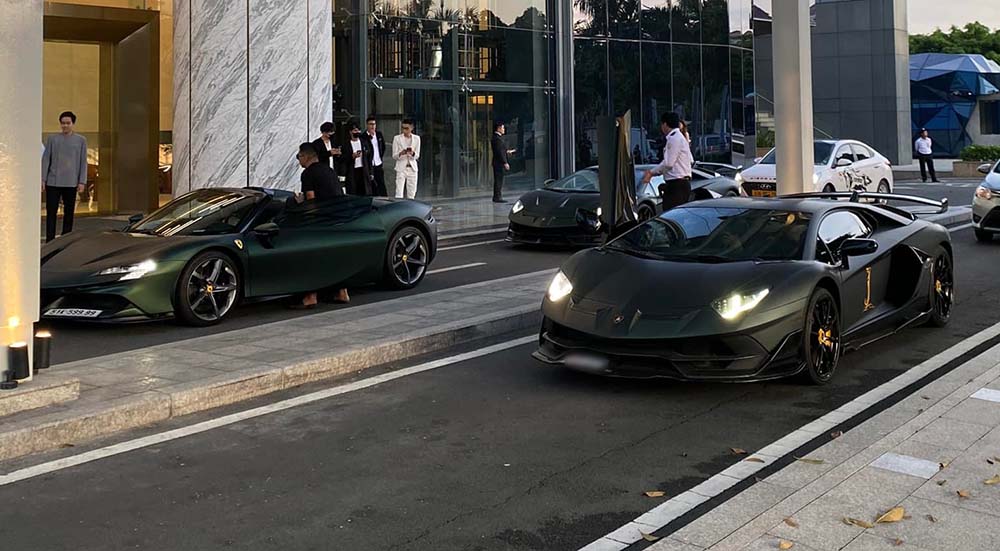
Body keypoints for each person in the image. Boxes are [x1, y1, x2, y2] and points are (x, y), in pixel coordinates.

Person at [292, 143, 349, 308]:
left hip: (322, 221)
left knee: (313, 257)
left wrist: (301, 206)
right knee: (335, 257)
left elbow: (311, 199)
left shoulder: (308, 173)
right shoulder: (328, 170)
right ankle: (342, 292)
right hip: (338, 218)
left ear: (305, 156)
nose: (298, 160)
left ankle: (310, 296)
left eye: (299, 157)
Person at [41, 111, 89, 243]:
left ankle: (65, 239)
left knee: (69, 212)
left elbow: (82, 161)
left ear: (73, 124)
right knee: (51, 213)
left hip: (71, 182)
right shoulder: (52, 139)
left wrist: (82, 181)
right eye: (63, 123)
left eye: (68, 123)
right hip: (53, 181)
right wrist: (43, 179)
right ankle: (50, 240)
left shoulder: (81, 140)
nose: (65, 126)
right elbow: (46, 159)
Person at [642, 112, 694, 212]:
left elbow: (669, 163)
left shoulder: (674, 139)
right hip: (677, 184)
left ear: (665, 124)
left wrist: (651, 173)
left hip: (678, 185)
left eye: (661, 124)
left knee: (673, 217)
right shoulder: (677, 137)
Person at [341, 120, 373, 196]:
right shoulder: (346, 144)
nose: (357, 132)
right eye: (355, 130)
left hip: (363, 170)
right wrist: (352, 156)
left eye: (358, 130)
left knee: (365, 191)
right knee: (353, 191)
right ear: (350, 132)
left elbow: (369, 158)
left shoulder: (364, 142)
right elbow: (342, 159)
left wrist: (371, 172)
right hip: (352, 171)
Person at [392, 119, 421, 199]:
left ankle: (410, 209)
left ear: (412, 128)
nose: (404, 130)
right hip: (401, 167)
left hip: (412, 168)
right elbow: (394, 156)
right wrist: (401, 153)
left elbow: (417, 155)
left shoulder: (417, 138)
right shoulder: (397, 138)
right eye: (403, 128)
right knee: (399, 192)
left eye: (407, 128)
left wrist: (412, 153)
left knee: (411, 193)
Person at [491, 121, 516, 203]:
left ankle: (497, 196)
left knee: (499, 180)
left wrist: (507, 151)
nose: (504, 129)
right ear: (498, 128)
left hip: (498, 162)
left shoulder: (498, 138)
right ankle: (497, 197)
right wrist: (505, 162)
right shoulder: (497, 139)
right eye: (503, 128)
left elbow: (502, 150)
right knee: (498, 180)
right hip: (498, 163)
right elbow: (499, 152)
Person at [363, 116, 388, 196]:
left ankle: (384, 199)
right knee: (371, 184)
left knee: (381, 183)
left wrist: (379, 157)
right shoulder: (363, 137)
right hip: (370, 164)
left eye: (374, 124)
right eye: (370, 124)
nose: (372, 126)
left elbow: (383, 147)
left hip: (378, 163)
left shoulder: (379, 135)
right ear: (367, 125)